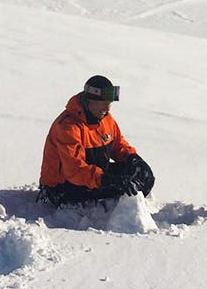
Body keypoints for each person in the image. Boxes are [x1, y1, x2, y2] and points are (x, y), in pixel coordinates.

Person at [41, 74, 156, 204]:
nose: (107, 109)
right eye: (103, 104)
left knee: (140, 177)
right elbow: (75, 170)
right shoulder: (68, 127)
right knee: (122, 187)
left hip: (94, 175)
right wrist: (108, 181)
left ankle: (130, 205)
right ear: (89, 100)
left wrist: (134, 160)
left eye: (109, 104)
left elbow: (118, 145)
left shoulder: (106, 119)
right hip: (63, 187)